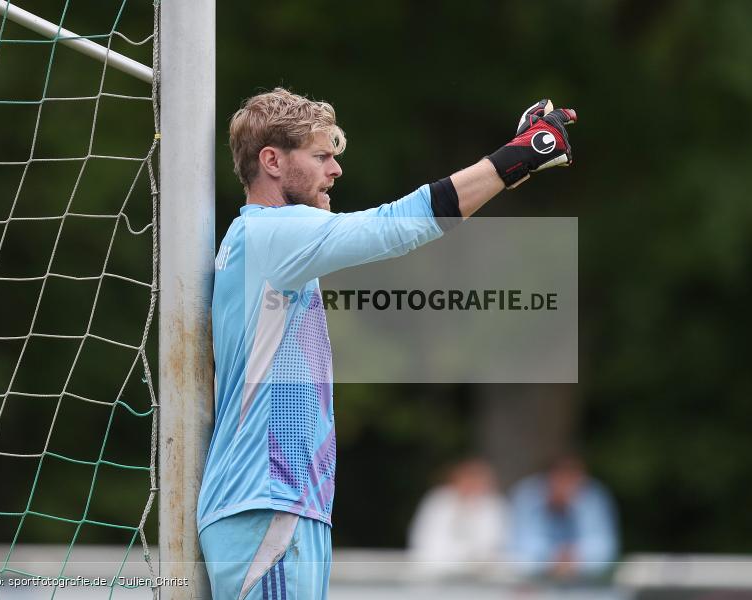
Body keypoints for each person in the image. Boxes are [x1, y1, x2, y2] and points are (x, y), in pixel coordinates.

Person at [196, 87, 577, 599]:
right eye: (321, 156)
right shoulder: (273, 234)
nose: (336, 170)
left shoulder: (270, 242)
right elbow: (394, 227)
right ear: (272, 162)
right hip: (267, 503)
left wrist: (518, 161)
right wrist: (516, 158)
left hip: (279, 504)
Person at [509, 454, 619, 580]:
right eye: (560, 480)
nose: (565, 487)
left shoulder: (594, 497)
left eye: (571, 480)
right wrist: (552, 559)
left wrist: (574, 558)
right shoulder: (526, 496)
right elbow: (518, 549)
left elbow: (605, 549)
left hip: (584, 582)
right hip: (534, 582)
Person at [407, 458, 509, 578]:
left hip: (480, 577)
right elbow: (425, 540)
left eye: (477, 480)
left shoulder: (495, 506)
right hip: (436, 573)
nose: (472, 484)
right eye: (468, 478)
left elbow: (494, 544)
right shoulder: (438, 501)